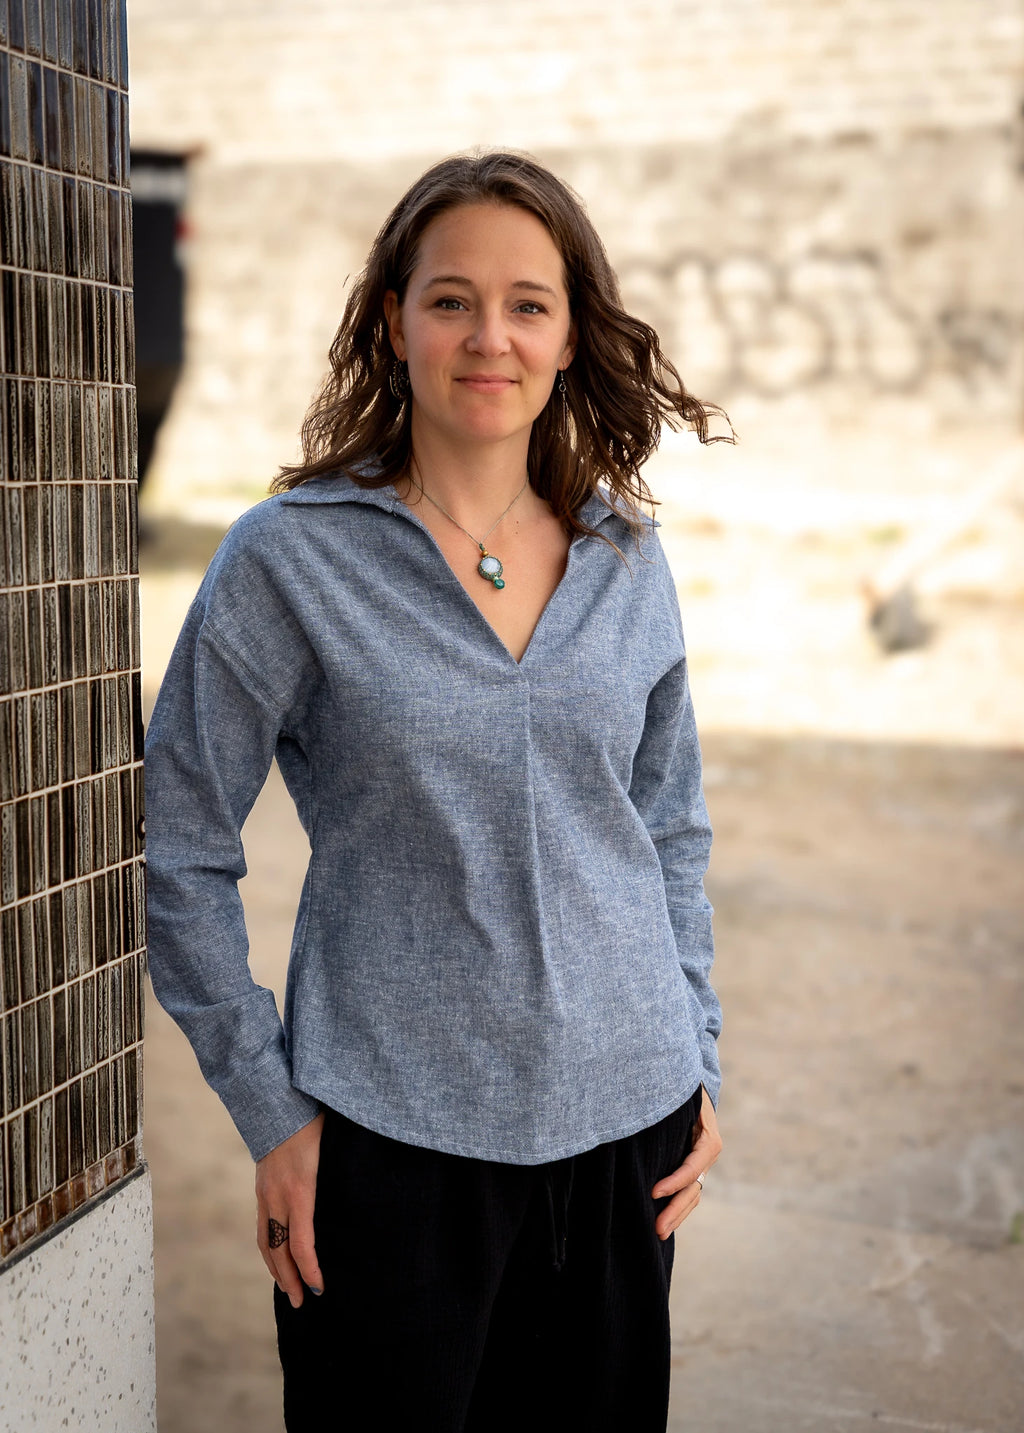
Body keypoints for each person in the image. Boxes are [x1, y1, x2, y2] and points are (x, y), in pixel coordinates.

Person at [145, 150, 732, 1433]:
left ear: (569, 334)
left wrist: (697, 1051)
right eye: (451, 299)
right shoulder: (290, 559)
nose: (489, 337)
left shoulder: (624, 554)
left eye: (528, 304)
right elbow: (175, 841)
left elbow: (668, 826)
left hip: (627, 1131)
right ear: (392, 320)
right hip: (387, 1147)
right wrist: (267, 1108)